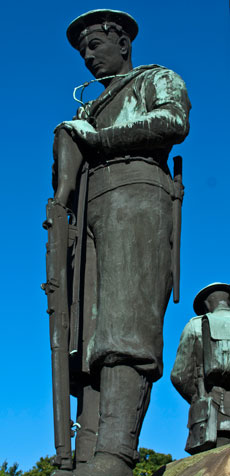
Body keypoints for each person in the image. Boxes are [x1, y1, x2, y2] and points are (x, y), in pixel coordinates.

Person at [52, 9, 191, 476]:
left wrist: (99, 137)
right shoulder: (89, 105)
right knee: (86, 338)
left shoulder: (157, 78)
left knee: (124, 328)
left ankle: (115, 453)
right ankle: (86, 453)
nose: (88, 57)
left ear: (123, 42)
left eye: (95, 45)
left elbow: (173, 123)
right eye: (82, 51)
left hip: (137, 193)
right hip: (90, 210)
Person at [171, 283, 230, 455]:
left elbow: (179, 376)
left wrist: (199, 396)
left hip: (210, 420)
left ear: (206, 304)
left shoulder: (195, 325)